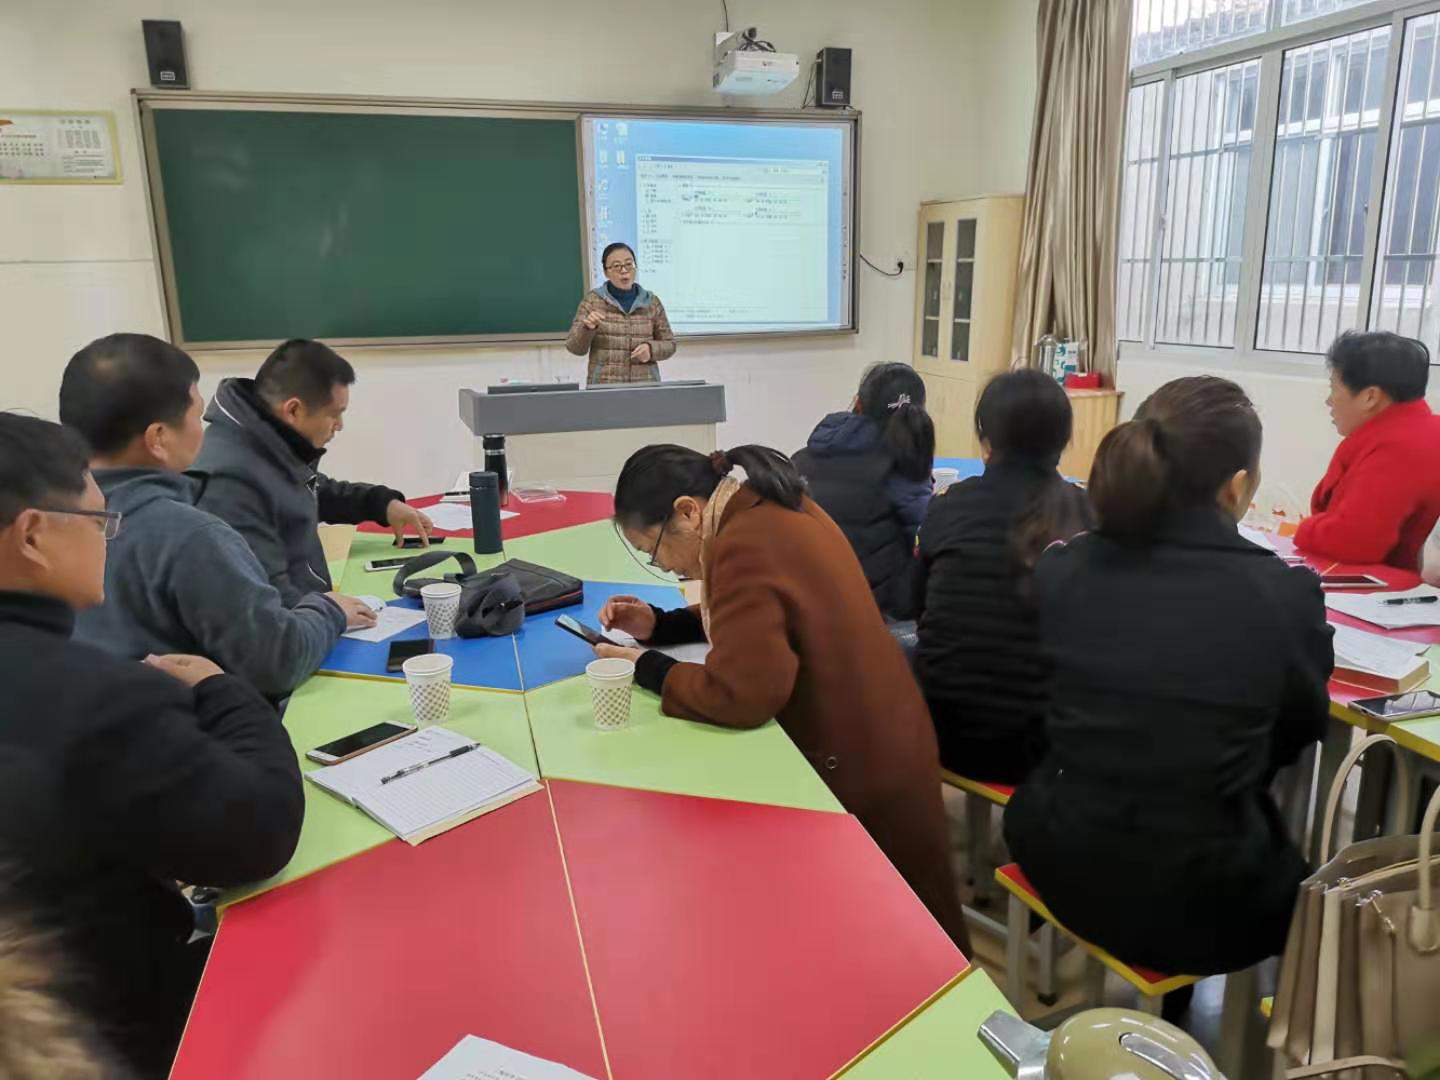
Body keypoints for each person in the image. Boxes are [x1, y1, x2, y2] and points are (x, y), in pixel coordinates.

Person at [0, 413, 304, 1076]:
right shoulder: (96, 701)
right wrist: (222, 691)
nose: (107, 539)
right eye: (97, 522)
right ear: (33, 535)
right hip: (93, 1033)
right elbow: (258, 834)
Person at [1004, 377, 1333, 977]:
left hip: (1065, 858)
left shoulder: (1065, 566)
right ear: (1238, 487)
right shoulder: (1284, 595)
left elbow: (1045, 702)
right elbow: (1299, 730)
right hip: (1210, 902)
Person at [591, 444, 970, 952]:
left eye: (653, 550)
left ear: (688, 512)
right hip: (885, 731)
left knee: (906, 943)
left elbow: (741, 695)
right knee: (905, 930)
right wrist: (661, 625)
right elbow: (760, 612)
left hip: (859, 764)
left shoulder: (743, 544)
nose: (660, 564)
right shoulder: (762, 506)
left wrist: (646, 667)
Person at [59, 334, 374, 699]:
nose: (204, 430)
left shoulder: (43, 523)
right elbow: (275, 661)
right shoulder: (190, 535)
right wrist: (329, 610)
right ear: (158, 438)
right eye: (196, 416)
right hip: (187, 723)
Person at [913, 371, 1093, 783]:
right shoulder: (1087, 513)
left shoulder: (949, 505)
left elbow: (917, 606)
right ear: (1065, 440)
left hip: (943, 732)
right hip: (1044, 747)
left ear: (985, 437)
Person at [193, 339, 434, 607]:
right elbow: (263, 599)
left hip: (309, 611)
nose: (339, 425)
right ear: (293, 410)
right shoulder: (231, 481)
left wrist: (379, 504)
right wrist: (328, 611)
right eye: (335, 414)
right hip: (293, 620)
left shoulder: (262, 441)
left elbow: (308, 489)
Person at [793, 362, 935, 619]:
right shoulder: (902, 468)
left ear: (858, 403)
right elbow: (928, 528)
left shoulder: (802, 458)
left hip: (809, 604)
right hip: (876, 610)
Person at [1294, 330, 1440, 569]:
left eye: (1334, 388)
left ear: (1370, 397)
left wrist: (1303, 529)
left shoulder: (1399, 449)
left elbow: (1352, 541)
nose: (1329, 401)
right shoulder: (1422, 430)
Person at [565, 242, 676, 385]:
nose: (624, 271)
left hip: (645, 387)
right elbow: (574, 348)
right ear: (606, 272)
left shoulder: (651, 302)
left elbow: (670, 344)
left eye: (629, 264)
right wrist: (587, 329)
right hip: (604, 388)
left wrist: (651, 349)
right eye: (617, 266)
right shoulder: (593, 301)